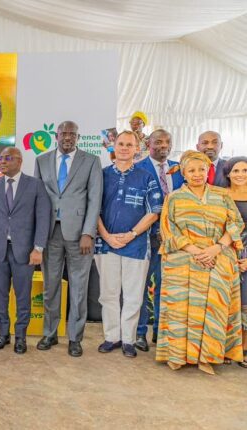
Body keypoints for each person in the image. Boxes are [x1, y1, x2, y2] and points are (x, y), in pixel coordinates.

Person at [156, 150, 244, 374]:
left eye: (201, 170)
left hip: (218, 257)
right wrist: (195, 251)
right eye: (191, 170)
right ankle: (177, 355)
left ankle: (208, 357)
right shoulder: (174, 198)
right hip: (183, 258)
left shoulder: (222, 195)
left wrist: (216, 248)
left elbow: (235, 224)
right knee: (179, 307)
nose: (197, 174)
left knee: (214, 307)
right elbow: (168, 229)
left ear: (208, 171)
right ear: (183, 173)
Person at [33, 120, 102, 357]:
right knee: (50, 286)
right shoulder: (41, 160)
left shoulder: (91, 161)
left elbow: (94, 199)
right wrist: (38, 236)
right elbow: (38, 200)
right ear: (57, 135)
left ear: (78, 137)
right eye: (63, 133)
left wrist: (88, 233)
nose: (67, 137)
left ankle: (75, 337)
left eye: (72, 134)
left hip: (79, 235)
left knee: (79, 288)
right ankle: (50, 333)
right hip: (50, 233)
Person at [96, 131, 163, 358]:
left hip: (137, 246)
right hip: (106, 245)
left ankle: (128, 340)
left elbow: (154, 212)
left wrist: (132, 234)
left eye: (129, 145)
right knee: (108, 294)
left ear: (137, 149)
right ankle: (111, 337)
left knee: (133, 296)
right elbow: (93, 209)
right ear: (114, 146)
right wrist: (106, 236)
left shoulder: (146, 177)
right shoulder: (101, 175)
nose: (124, 148)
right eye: (121, 144)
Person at [0, 147, 50, 354]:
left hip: (25, 251)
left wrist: (38, 248)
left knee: (23, 296)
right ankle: (3, 333)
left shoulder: (35, 185)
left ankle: (20, 336)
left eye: (8, 158)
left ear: (19, 161)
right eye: (1, 158)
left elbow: (43, 217)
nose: (2, 161)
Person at [134, 129, 184, 351]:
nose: (164, 145)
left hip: (173, 239)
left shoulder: (180, 169)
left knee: (166, 286)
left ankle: (161, 332)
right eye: (159, 141)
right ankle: (140, 333)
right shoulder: (138, 168)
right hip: (147, 236)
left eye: (167, 142)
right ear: (149, 144)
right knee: (142, 285)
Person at [224, 156, 247, 368]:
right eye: (236, 171)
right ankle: (227, 348)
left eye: (245, 170)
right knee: (227, 302)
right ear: (228, 174)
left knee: (246, 304)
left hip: (246, 255)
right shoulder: (221, 195)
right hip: (226, 252)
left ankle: (245, 349)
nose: (240, 175)